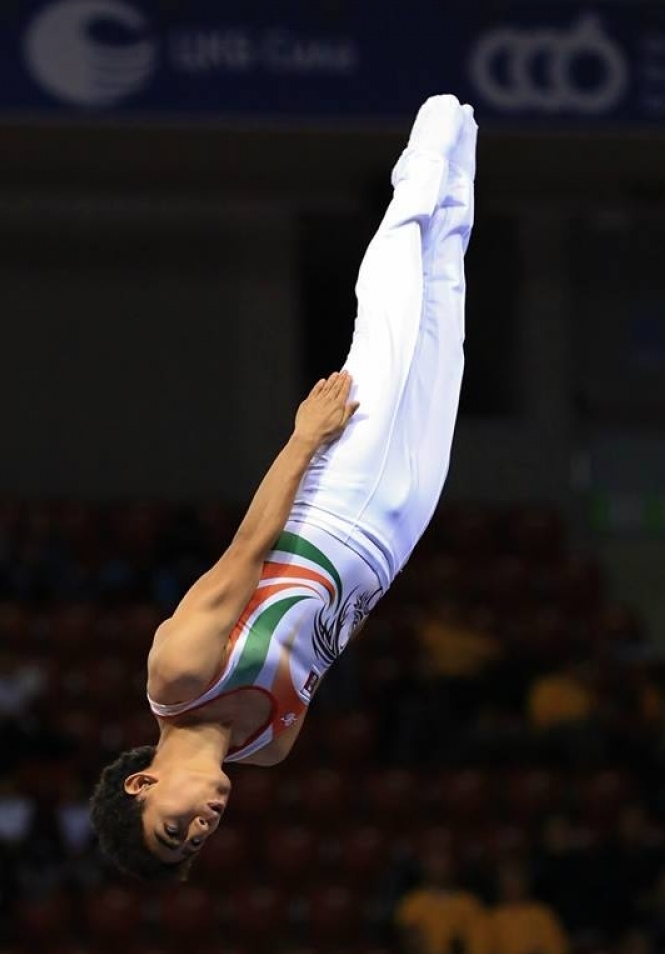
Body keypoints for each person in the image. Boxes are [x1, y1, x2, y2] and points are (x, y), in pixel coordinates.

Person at [90, 94, 478, 879]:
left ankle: (425, 155)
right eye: (197, 843)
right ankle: (465, 158)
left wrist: (305, 439)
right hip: (390, 541)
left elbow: (248, 547)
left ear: (143, 783)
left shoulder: (179, 673)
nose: (201, 827)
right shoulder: (271, 748)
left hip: (334, 500)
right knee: (444, 337)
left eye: (175, 829)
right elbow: (331, 633)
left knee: (392, 324)